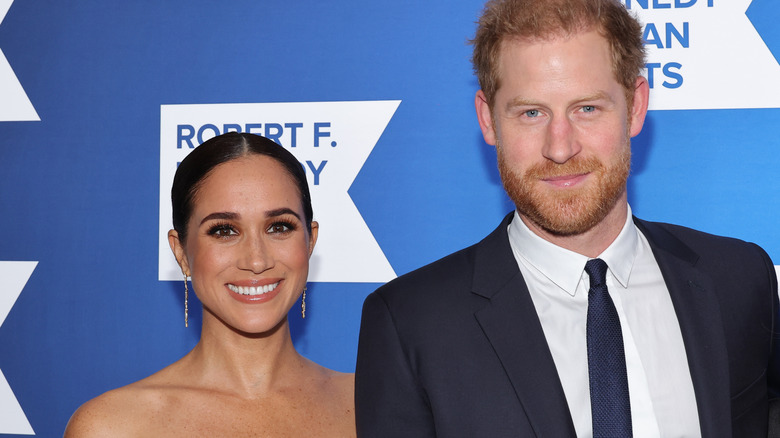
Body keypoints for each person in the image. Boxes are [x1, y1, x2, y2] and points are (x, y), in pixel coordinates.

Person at [355, 0, 779, 437]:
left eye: (587, 109)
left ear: (635, 106)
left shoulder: (740, 279)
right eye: (531, 113)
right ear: (488, 119)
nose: (560, 148)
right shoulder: (410, 323)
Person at [65, 132, 355, 437]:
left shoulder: (369, 402)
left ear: (310, 242)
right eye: (224, 231)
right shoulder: (111, 427)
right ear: (181, 253)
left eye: (279, 227)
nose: (256, 261)